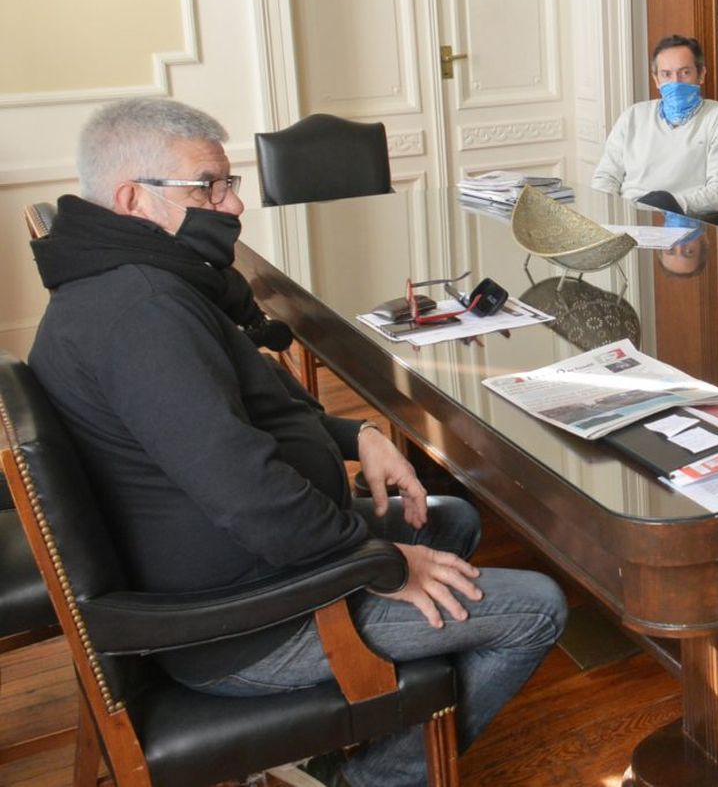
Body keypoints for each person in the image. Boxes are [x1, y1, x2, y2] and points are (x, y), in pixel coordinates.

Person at [28, 98, 566, 787]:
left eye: (229, 183)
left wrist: (355, 433)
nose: (231, 205)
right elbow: (249, 494)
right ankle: (372, 777)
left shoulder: (134, 281)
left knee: (449, 515)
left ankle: (379, 720)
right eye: (208, 187)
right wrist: (381, 564)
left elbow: (250, 415)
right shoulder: (142, 312)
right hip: (240, 622)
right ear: (133, 198)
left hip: (235, 566)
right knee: (538, 609)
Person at [591, 34, 718, 218]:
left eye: (685, 72)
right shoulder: (633, 116)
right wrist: (609, 214)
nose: (676, 82)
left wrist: (667, 205)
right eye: (666, 74)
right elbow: (606, 177)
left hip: (685, 224)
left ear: (701, 74)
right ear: (656, 79)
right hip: (630, 220)